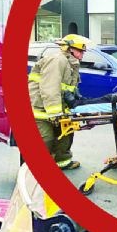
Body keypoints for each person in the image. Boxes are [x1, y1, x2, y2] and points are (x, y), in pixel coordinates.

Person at [29, 34, 87, 170]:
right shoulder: (57, 61)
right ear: (69, 49)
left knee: (66, 133)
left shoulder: (72, 64)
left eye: (83, 51)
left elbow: (67, 88)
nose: (82, 54)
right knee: (46, 138)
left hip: (57, 107)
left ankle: (62, 162)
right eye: (80, 51)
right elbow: (50, 87)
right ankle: (36, 167)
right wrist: (55, 113)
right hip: (40, 107)